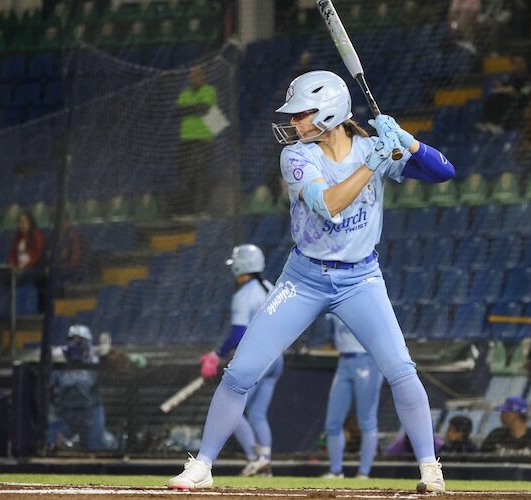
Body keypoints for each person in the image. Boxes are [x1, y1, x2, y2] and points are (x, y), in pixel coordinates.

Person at [168, 70, 455, 493]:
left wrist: (409, 143)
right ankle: (203, 465)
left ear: (330, 112)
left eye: (302, 114)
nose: (294, 122)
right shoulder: (297, 156)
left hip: (361, 279)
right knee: (240, 371)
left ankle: (430, 469)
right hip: (303, 279)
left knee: (400, 368)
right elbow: (328, 205)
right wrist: (373, 162)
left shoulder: (370, 148)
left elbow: (444, 172)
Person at [198, 244, 280, 477]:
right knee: (257, 413)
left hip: (258, 358)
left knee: (234, 408)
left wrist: (217, 353)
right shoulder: (272, 288)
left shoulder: (244, 295)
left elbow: (237, 334)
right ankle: (265, 461)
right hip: (277, 359)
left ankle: (255, 459)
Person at [321, 315, 383, 479]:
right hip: (343, 361)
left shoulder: (369, 301)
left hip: (367, 360)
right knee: (332, 422)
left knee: (367, 420)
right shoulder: (334, 300)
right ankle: (335, 471)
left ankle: (364, 473)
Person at [50, 325, 108, 451]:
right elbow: (50, 386)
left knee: (94, 448)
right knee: (52, 443)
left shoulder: (95, 361)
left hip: (90, 412)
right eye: (72, 340)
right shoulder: (60, 362)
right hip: (66, 413)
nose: (75, 344)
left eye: (80, 340)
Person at [175, 64, 217, 215]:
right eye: (192, 75)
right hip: (186, 140)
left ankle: (203, 210)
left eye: (198, 74)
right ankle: (189, 211)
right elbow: (178, 111)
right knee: (187, 177)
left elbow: (204, 108)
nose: (194, 78)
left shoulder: (209, 90)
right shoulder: (185, 93)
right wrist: (195, 108)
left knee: (202, 176)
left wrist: (189, 109)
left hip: (203, 140)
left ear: (203, 76)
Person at [7, 211, 46, 311]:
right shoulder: (18, 238)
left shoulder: (37, 235)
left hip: (35, 269)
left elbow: (35, 255)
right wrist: (12, 265)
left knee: (20, 276)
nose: (22, 224)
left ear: (30, 222)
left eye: (24, 221)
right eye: (20, 222)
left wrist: (22, 268)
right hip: (20, 269)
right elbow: (12, 255)